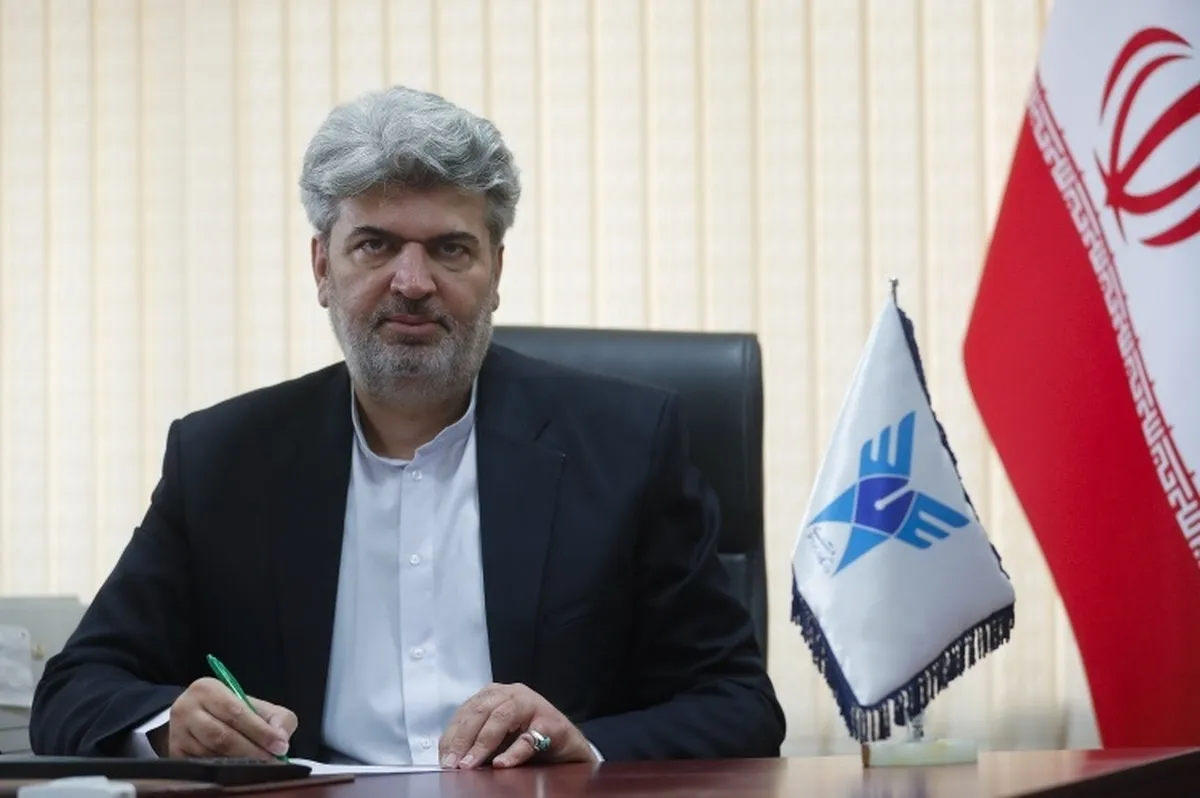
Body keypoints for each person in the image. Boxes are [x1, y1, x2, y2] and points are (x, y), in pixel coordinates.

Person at [29, 85, 785, 768]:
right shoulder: (224, 460)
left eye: (450, 249)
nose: (414, 283)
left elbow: (738, 704)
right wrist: (170, 727)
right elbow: (75, 690)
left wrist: (582, 746)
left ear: (496, 270)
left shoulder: (627, 444)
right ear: (322, 268)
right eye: (376, 245)